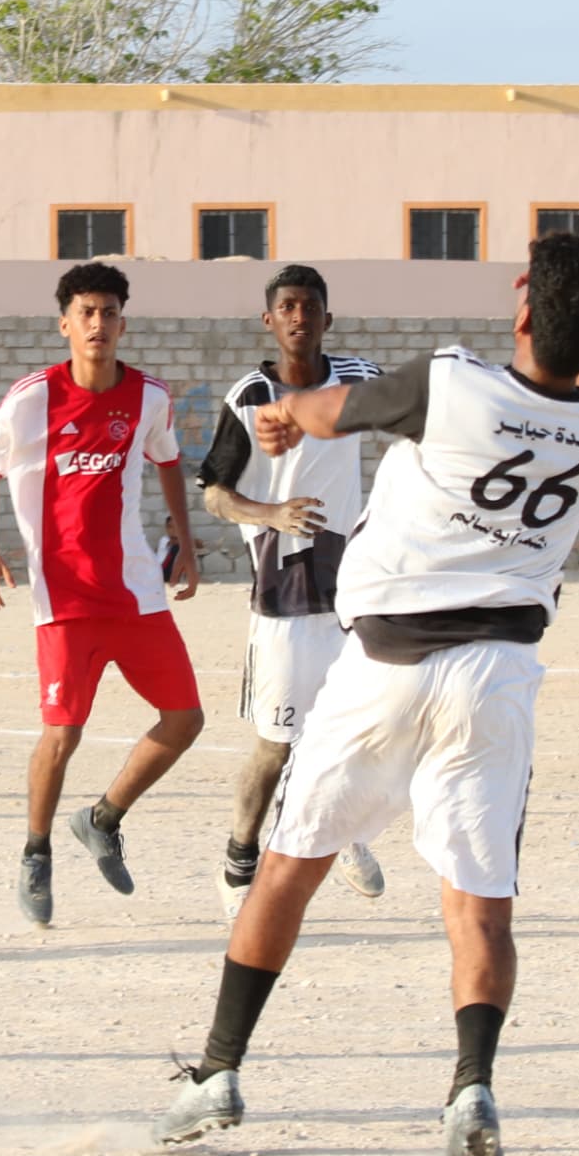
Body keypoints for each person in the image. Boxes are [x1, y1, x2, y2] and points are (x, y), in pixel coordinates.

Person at [156, 232, 579, 1156]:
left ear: (520, 307)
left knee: (288, 870)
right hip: (498, 678)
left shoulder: (452, 382)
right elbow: (570, 385)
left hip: (381, 669)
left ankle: (218, 1073)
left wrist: (287, 414)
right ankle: (472, 1090)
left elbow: (327, 409)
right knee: (480, 906)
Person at [0, 261, 203, 929]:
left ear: (123, 323)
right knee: (62, 733)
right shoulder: (31, 399)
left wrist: (184, 540)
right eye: (86, 312)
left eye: (109, 312)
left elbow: (167, 461)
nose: (98, 323)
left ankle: (102, 817)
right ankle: (36, 852)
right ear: (65, 324)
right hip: (63, 597)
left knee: (186, 720)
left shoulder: (149, 397)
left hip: (135, 592)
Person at [198, 265, 385, 919]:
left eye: (311, 305)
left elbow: (417, 417)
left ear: (327, 319)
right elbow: (215, 493)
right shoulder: (247, 396)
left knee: (357, 734)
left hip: (351, 596)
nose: (300, 315)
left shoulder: (360, 380)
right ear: (269, 320)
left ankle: (348, 834)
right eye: (288, 305)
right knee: (277, 746)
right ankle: (238, 858)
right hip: (281, 600)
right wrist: (269, 512)